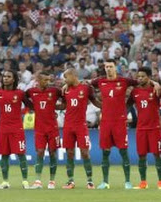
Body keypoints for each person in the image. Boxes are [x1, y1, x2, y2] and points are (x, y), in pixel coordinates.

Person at [91, 59, 154, 189]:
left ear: (116, 67)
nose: (108, 69)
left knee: (123, 152)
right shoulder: (99, 81)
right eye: (106, 66)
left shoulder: (124, 81)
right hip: (105, 122)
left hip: (119, 122)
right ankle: (105, 182)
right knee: (105, 152)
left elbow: (142, 81)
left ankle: (127, 182)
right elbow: (85, 86)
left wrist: (155, 83)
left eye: (110, 66)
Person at [61, 68, 98, 189]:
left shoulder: (86, 88)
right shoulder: (65, 90)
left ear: (73, 75)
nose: (65, 79)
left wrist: (107, 107)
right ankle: (70, 181)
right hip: (68, 126)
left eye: (66, 77)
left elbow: (95, 101)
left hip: (81, 126)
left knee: (84, 152)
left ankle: (90, 181)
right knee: (69, 153)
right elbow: (63, 104)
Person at [0, 70, 30, 189]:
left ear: (14, 79)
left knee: (21, 153)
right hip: (3, 128)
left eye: (9, 76)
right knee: (4, 154)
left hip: (17, 128)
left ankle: (25, 181)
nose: (5, 78)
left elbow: (31, 105)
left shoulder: (20, 93)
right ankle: (5, 181)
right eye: (4, 76)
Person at [25, 73, 61, 189]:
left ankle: (52, 180)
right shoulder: (31, 91)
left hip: (52, 128)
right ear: (38, 80)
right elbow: (24, 98)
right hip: (39, 128)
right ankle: (38, 181)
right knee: (40, 152)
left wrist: (56, 107)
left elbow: (66, 99)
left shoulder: (55, 91)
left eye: (48, 80)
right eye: (45, 80)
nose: (47, 82)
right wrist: (33, 106)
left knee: (52, 152)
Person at [128, 67, 161, 189]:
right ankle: (143, 182)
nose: (140, 78)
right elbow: (127, 105)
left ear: (148, 77)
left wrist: (156, 83)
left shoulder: (156, 89)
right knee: (141, 155)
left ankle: (160, 182)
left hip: (155, 128)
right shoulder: (134, 92)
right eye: (138, 76)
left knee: (157, 154)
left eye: (142, 76)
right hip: (141, 128)